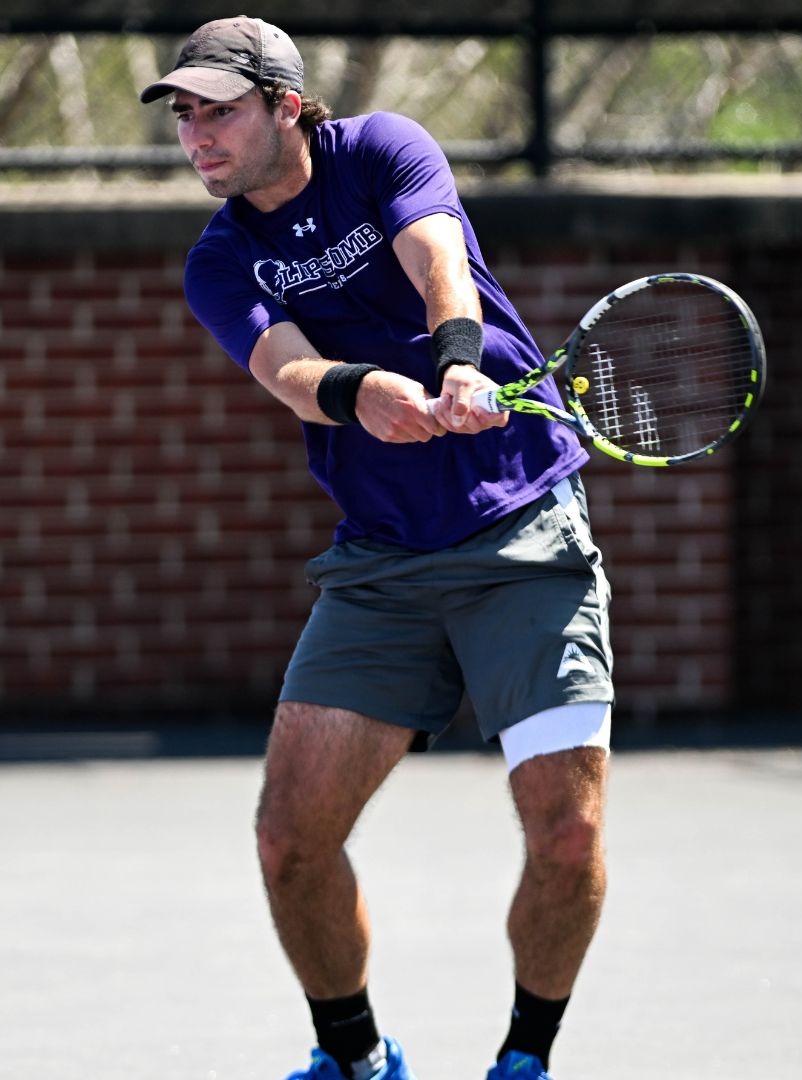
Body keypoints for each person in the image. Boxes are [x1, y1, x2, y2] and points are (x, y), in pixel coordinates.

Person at [141, 17, 614, 1080]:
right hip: (382, 562)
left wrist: (458, 362)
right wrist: (360, 393)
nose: (198, 135)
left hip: (524, 531)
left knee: (569, 835)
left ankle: (525, 1061)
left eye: (220, 110)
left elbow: (436, 257)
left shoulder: (382, 148)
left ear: (286, 107)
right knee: (288, 841)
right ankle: (357, 1060)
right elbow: (288, 371)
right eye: (185, 116)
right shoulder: (219, 260)